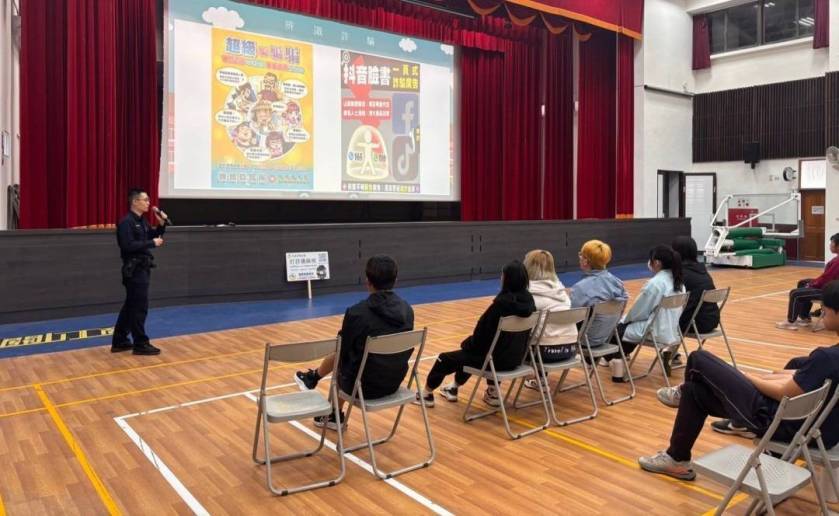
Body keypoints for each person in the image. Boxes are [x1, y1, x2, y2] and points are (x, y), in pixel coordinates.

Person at [638, 280, 839, 481]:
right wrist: (760, 378)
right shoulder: (830, 357)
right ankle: (676, 458)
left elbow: (783, 393)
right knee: (694, 392)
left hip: (777, 422)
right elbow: (796, 375)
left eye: (825, 310)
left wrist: (745, 376)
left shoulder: (826, 358)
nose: (821, 313)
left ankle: (680, 395)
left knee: (699, 358)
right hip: (820, 429)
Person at [293, 255, 414, 430]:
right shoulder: (407, 310)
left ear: (367, 281)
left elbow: (342, 350)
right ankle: (313, 379)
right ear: (395, 280)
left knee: (344, 359)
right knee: (353, 356)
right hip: (393, 382)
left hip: (362, 388)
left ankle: (332, 411)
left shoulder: (357, 313)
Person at [414, 260, 536, 408]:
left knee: (446, 358)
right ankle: (461, 388)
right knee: (475, 354)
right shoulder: (531, 304)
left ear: (507, 279)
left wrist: (467, 344)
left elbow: (480, 340)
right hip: (515, 359)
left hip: (494, 361)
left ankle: (426, 394)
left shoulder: (500, 306)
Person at [606, 245, 685, 381]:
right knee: (627, 329)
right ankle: (666, 353)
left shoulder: (655, 283)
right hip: (672, 331)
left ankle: (616, 362)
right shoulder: (679, 282)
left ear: (657, 263)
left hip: (655, 332)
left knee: (617, 330)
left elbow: (639, 312)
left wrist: (624, 320)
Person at [111, 189, 166, 356]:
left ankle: (120, 341)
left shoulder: (142, 221)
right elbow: (127, 245)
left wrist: (161, 225)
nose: (148, 203)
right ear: (135, 202)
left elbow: (153, 236)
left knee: (131, 305)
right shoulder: (126, 222)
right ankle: (140, 343)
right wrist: (151, 243)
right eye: (145, 200)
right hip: (133, 269)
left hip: (143, 267)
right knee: (139, 307)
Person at [521, 250, 577, 392]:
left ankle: (493, 390)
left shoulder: (527, 294)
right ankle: (540, 379)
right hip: (570, 350)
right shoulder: (561, 291)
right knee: (545, 330)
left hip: (542, 353)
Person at [568, 240, 629, 351]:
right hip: (607, 336)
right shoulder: (618, 283)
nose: (579, 257)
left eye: (581, 255)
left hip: (584, 340)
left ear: (585, 261)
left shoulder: (581, 288)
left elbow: (570, 318)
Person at [776, 233, 839, 330]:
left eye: (832, 243)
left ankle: (790, 321)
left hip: (830, 292)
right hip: (831, 287)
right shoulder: (836, 259)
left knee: (795, 293)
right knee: (803, 282)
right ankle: (805, 317)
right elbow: (826, 277)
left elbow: (826, 278)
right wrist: (811, 283)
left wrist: (812, 284)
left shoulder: (837, 262)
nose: (830, 245)